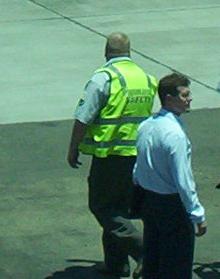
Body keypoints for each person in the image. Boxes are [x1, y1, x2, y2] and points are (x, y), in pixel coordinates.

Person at [67, 33, 158, 278]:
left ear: (106, 51)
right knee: (118, 208)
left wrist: (73, 147)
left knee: (101, 206)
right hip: (137, 153)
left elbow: (83, 116)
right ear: (130, 52)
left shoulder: (105, 77)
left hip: (111, 154)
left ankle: (144, 252)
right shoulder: (146, 78)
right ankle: (116, 263)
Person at [133, 72, 205, 279]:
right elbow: (184, 181)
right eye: (185, 95)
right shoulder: (174, 135)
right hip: (172, 207)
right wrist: (197, 213)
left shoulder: (146, 125)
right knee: (176, 265)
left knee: (153, 259)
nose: (189, 99)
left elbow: (138, 168)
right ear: (169, 99)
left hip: (150, 202)